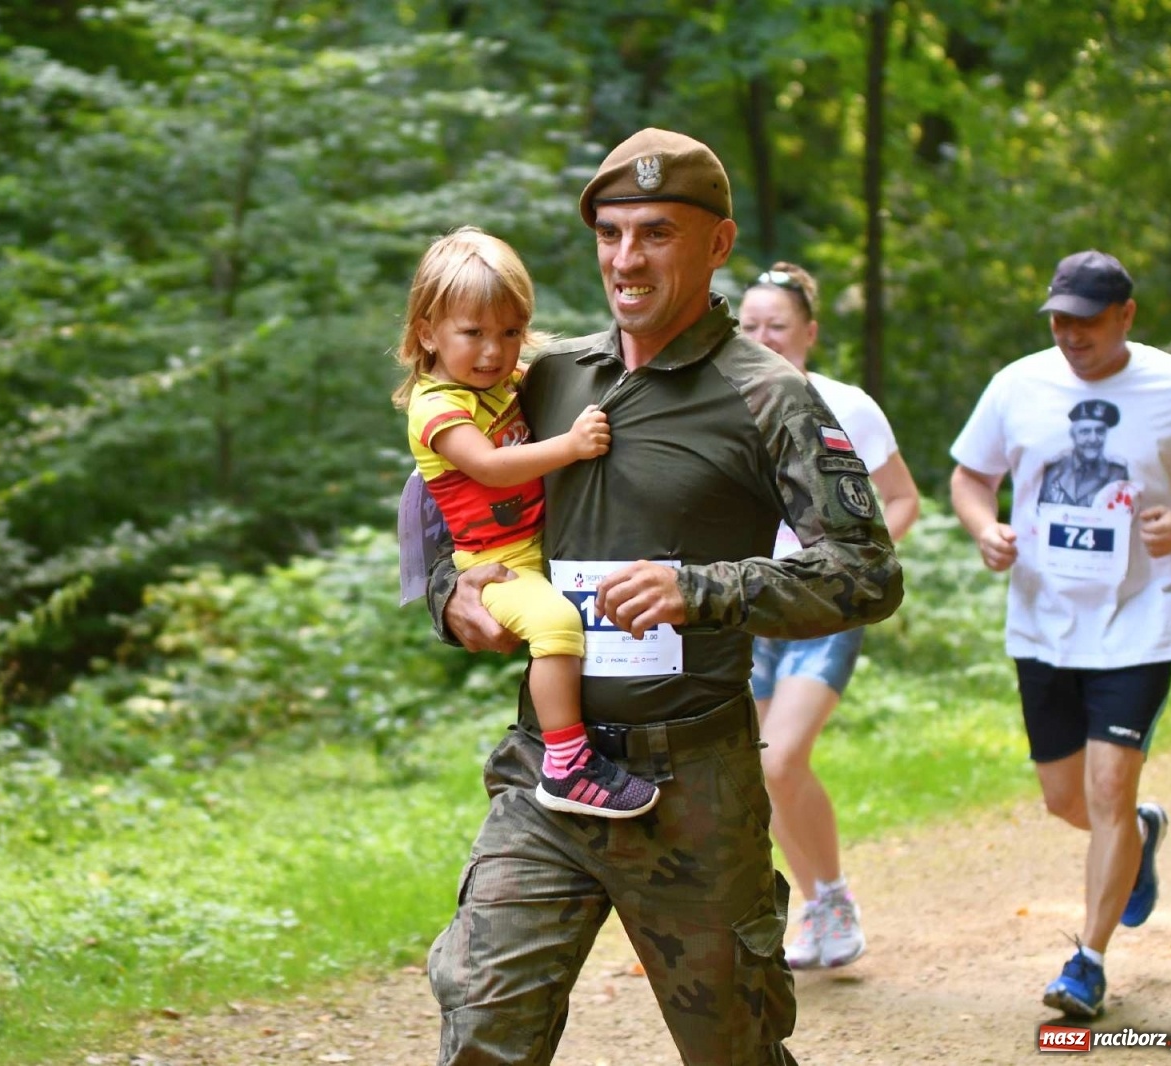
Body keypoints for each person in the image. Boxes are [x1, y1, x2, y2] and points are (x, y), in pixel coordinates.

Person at [421, 128, 903, 1066]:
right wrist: (453, 597)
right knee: (482, 1024)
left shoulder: (770, 397)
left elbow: (867, 573)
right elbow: (455, 520)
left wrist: (702, 590)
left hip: (693, 788)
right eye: (610, 234)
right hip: (550, 776)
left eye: (656, 233)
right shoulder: (545, 377)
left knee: (734, 1049)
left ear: (718, 245)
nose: (625, 258)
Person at [949, 249, 1171, 1019]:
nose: (1069, 334)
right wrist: (981, 527)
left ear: (1125, 315)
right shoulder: (1018, 385)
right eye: (1059, 318)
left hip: (1140, 621)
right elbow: (969, 475)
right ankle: (1139, 836)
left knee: (1106, 790)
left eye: (1086, 320)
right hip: (1043, 623)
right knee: (1069, 802)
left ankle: (1087, 963)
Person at [394, 227, 660, 818]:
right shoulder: (438, 405)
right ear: (426, 333)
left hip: (538, 546)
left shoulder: (505, 385)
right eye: (473, 334)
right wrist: (572, 445)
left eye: (510, 333)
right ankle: (566, 763)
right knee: (557, 626)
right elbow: (488, 466)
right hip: (503, 565)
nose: (494, 351)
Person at [736, 263, 921, 970]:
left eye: (775, 327)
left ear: (808, 333)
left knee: (780, 756)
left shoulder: (847, 406)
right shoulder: (723, 408)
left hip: (826, 610)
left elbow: (901, 499)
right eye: (748, 326)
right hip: (749, 611)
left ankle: (830, 896)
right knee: (757, 768)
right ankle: (822, 905)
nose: (761, 338)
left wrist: (854, 561)